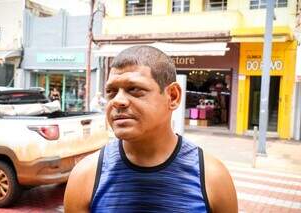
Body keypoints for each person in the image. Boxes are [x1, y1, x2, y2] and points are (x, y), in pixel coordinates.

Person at [64, 46, 238, 213]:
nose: (118, 101)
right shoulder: (85, 176)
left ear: (173, 96)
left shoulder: (213, 177)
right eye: (111, 91)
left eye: (135, 89)